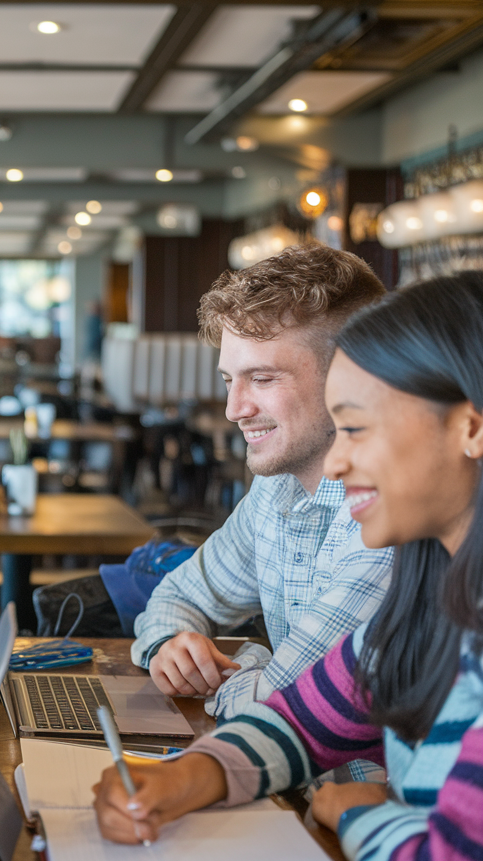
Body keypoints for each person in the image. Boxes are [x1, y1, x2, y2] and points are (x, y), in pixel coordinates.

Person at [93, 272, 483, 861]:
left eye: (359, 427)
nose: (336, 462)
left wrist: (352, 809)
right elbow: (304, 715)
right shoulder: (437, 589)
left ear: (471, 426)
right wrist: (189, 776)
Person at [131, 244, 393, 722]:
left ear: (355, 377)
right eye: (230, 379)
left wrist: (252, 659)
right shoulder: (277, 490)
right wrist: (172, 644)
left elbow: (282, 705)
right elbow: (176, 597)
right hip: (292, 788)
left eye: (263, 378)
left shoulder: (391, 513)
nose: (235, 409)